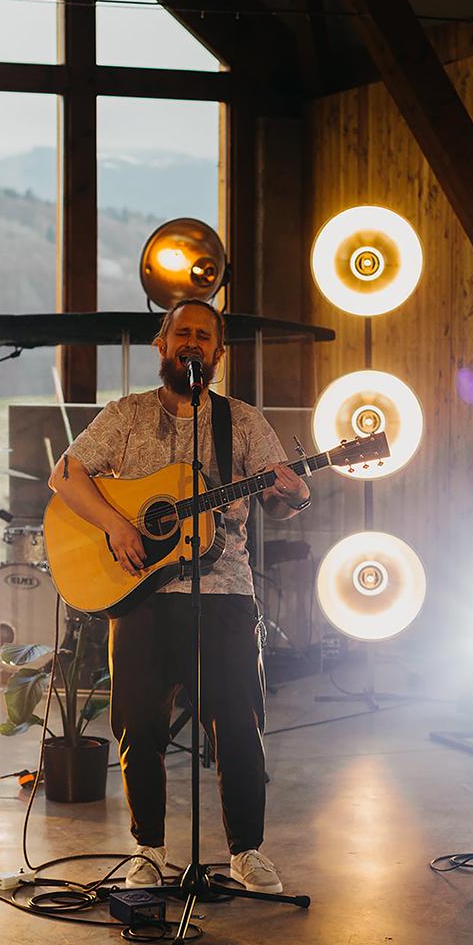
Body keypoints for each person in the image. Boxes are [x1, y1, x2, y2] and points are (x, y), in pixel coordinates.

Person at [49, 299, 310, 895]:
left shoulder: (240, 421)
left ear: (218, 353)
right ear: (160, 346)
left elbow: (275, 497)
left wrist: (292, 492)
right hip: (138, 590)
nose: (192, 343)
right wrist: (116, 525)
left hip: (222, 594)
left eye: (204, 336)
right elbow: (66, 474)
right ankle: (149, 850)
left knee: (239, 727)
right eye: (182, 333)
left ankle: (246, 851)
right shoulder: (126, 415)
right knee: (138, 726)